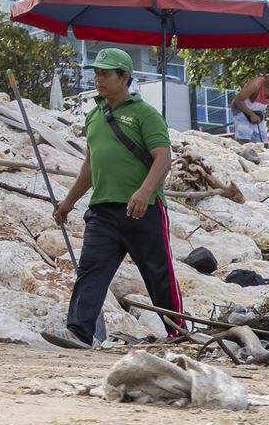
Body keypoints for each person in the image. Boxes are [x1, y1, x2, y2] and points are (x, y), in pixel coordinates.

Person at [53, 47, 186, 347]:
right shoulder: (94, 116)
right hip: (102, 211)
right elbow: (90, 164)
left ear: (124, 77)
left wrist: (144, 191)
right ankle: (79, 332)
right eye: (96, 73)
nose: (98, 79)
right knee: (90, 271)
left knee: (158, 273)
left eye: (106, 74)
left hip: (145, 210)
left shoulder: (146, 114)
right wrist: (69, 202)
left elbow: (163, 158)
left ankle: (179, 332)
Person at [230, 64, 269, 144]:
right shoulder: (256, 83)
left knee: (264, 144)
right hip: (241, 109)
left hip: (258, 112)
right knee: (244, 140)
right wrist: (251, 114)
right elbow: (238, 100)